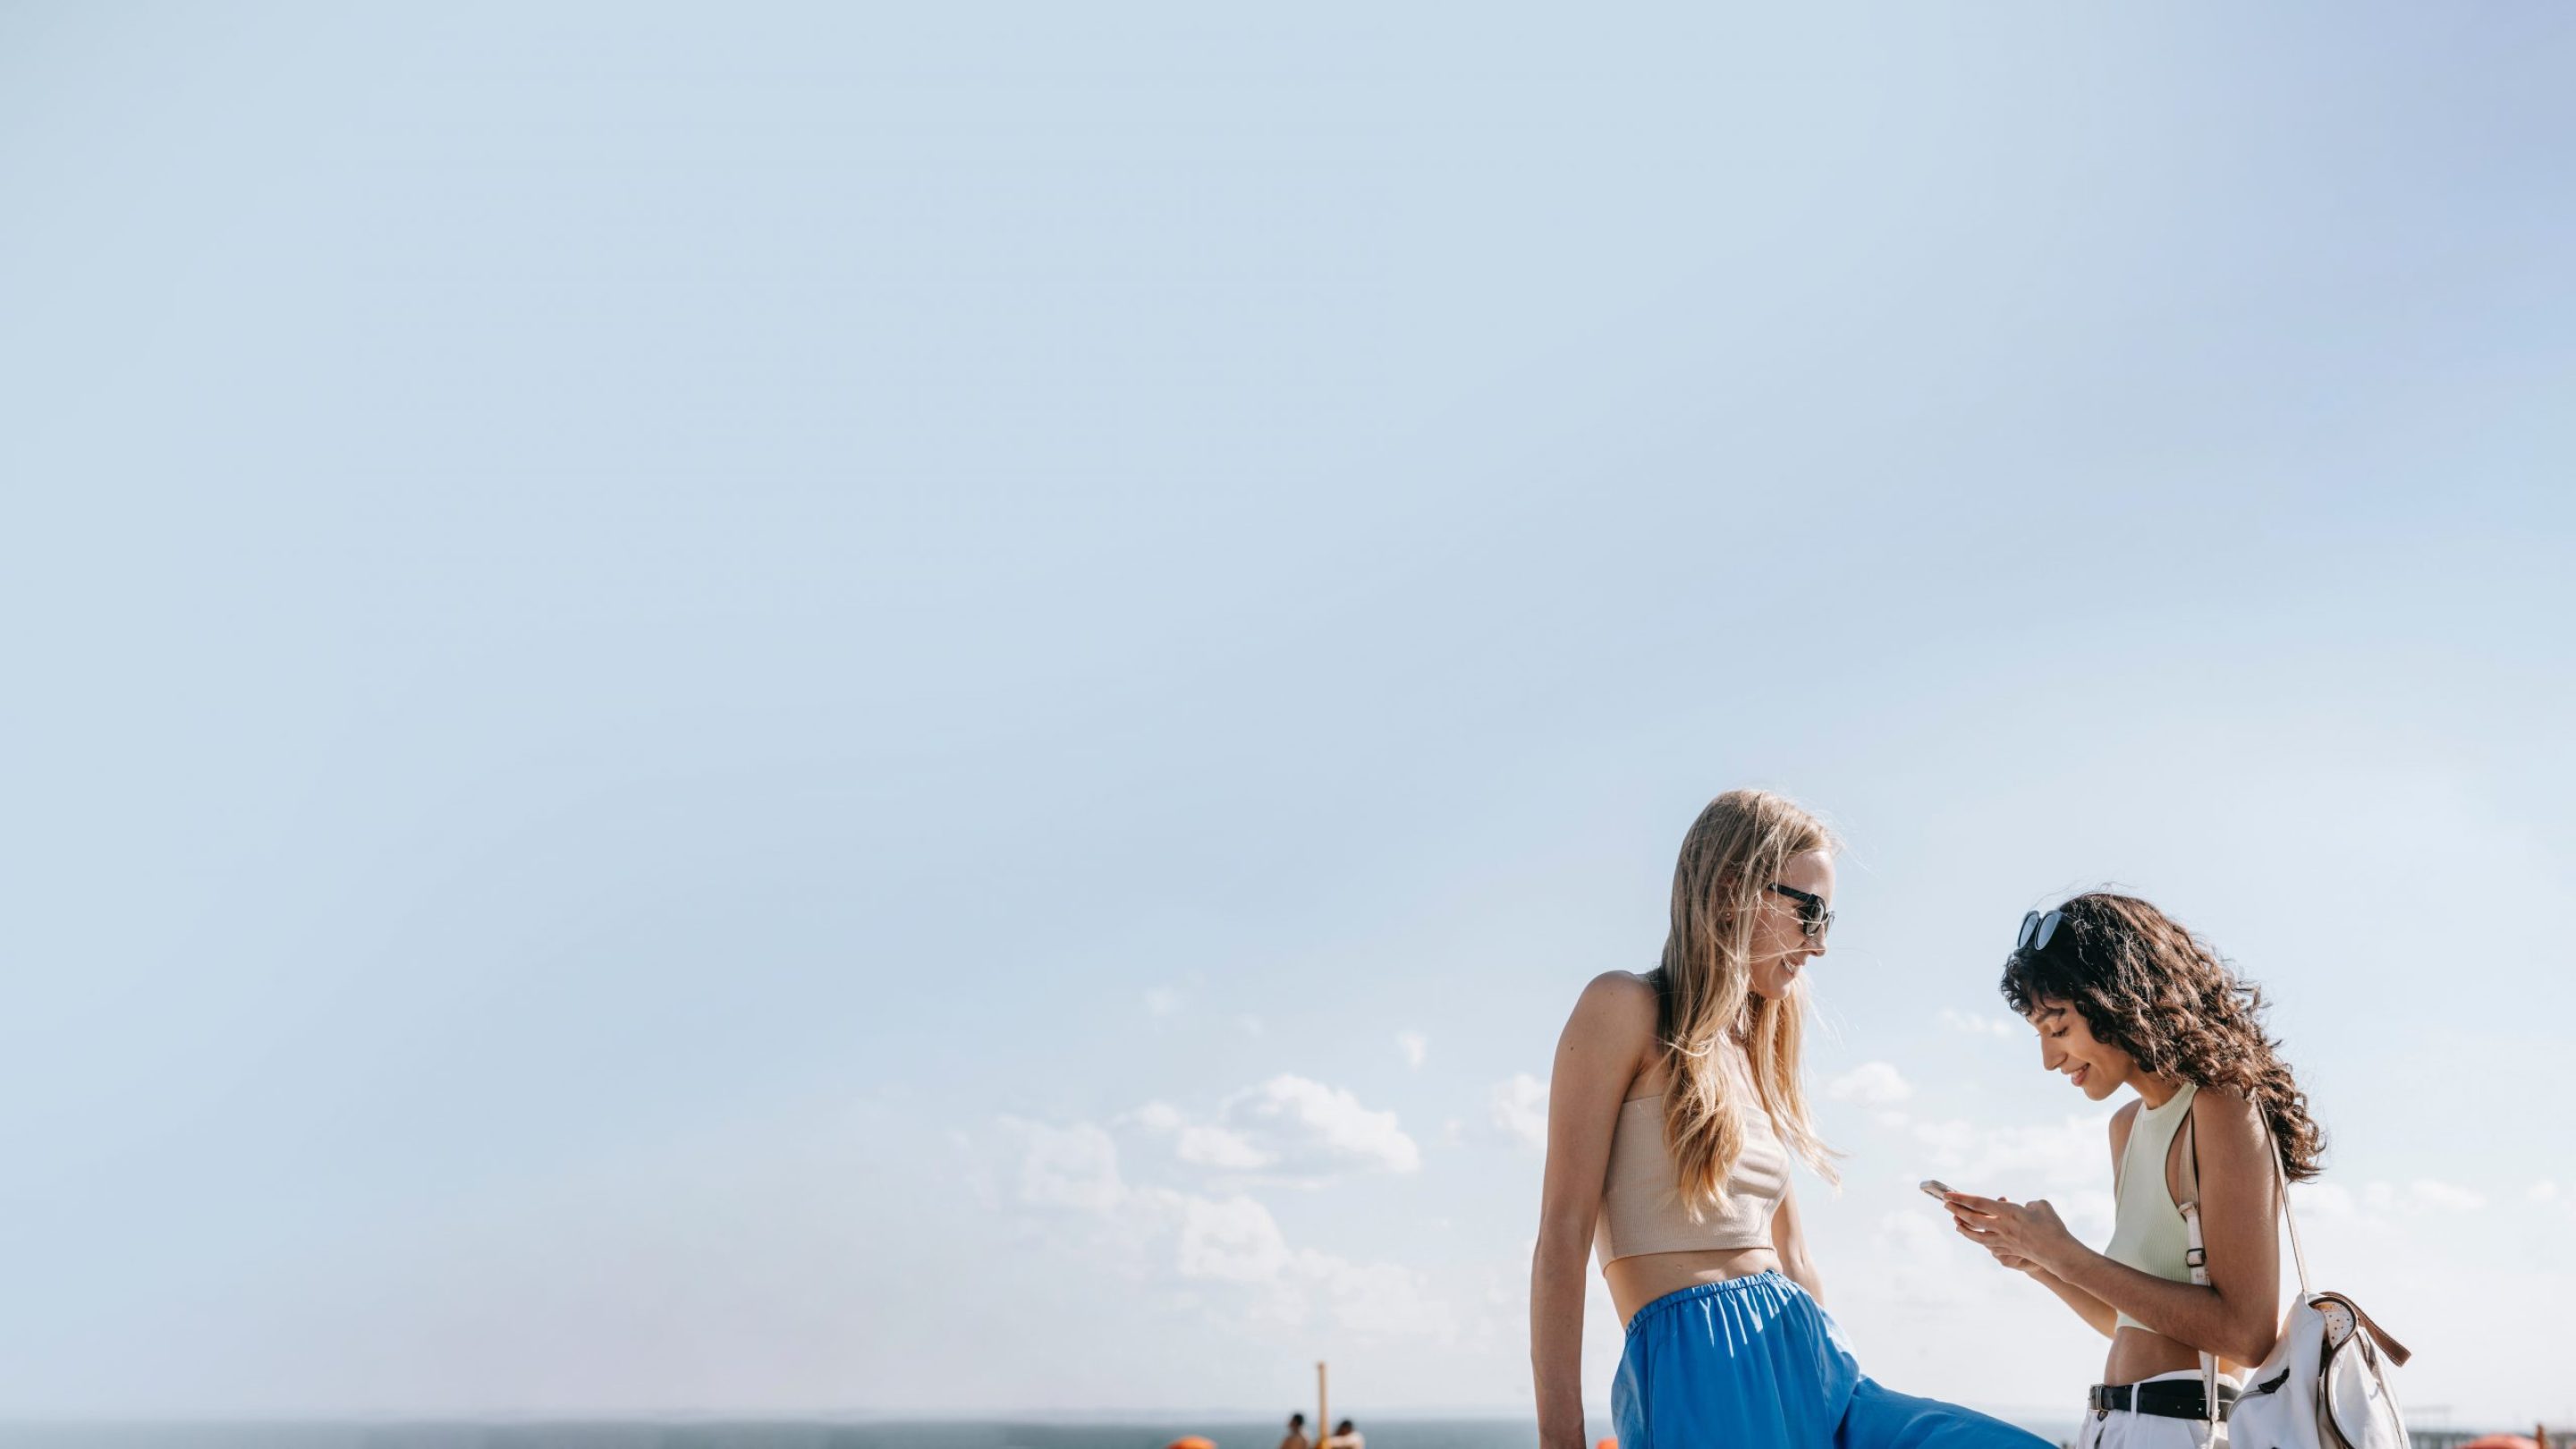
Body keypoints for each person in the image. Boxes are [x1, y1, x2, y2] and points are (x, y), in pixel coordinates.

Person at [1530, 789, 2053, 1449]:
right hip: (1702, 1373)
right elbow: (1562, 1232)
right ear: (1730, 890)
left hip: (1817, 1367)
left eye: (1828, 920)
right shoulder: (1623, 1007)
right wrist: (1560, 1438)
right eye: (1809, 913)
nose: (1820, 945)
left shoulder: (1755, 1048)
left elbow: (1795, 1257)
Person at [1946, 893, 2322, 1449]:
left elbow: (2246, 1335)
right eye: (2040, 1036)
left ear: (2118, 1001)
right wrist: (2039, 1262)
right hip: (2110, 1425)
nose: (2050, 1060)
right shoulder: (2126, 1127)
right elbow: (2127, 1320)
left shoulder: (2221, 1109)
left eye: (2059, 1028)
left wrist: (2066, 1255)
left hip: (2182, 1428)